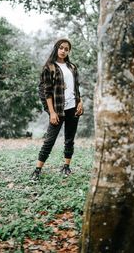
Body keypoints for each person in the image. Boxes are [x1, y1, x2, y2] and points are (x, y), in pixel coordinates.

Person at [31, 38, 83, 181]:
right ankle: (37, 169)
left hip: (73, 108)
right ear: (56, 48)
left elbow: (76, 88)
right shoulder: (49, 67)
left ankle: (66, 166)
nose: (63, 51)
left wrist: (80, 102)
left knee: (69, 139)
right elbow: (46, 92)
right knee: (50, 140)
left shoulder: (72, 67)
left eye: (66, 49)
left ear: (69, 51)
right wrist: (52, 112)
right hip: (58, 109)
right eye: (61, 48)